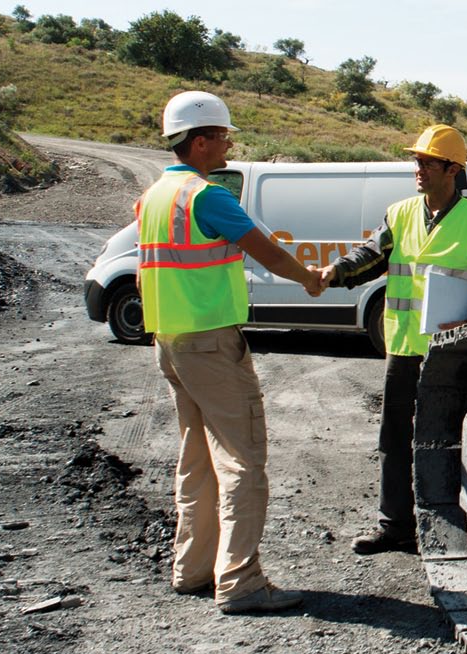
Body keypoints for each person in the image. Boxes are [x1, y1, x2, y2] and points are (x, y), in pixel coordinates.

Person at [139, 91, 322, 614]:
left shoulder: (154, 196)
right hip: (211, 342)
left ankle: (193, 569)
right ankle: (240, 582)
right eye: (222, 136)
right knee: (243, 460)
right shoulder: (207, 196)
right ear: (199, 142)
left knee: (196, 460)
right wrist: (310, 278)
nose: (228, 144)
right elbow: (264, 249)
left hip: (170, 342)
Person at [316, 125, 467, 555]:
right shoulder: (400, 214)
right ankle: (395, 526)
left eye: (427, 162)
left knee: (445, 439)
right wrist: (336, 272)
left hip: (448, 356)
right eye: (417, 161)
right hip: (403, 350)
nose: (418, 169)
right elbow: (370, 255)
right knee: (393, 439)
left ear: (452, 170)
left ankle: (453, 529)